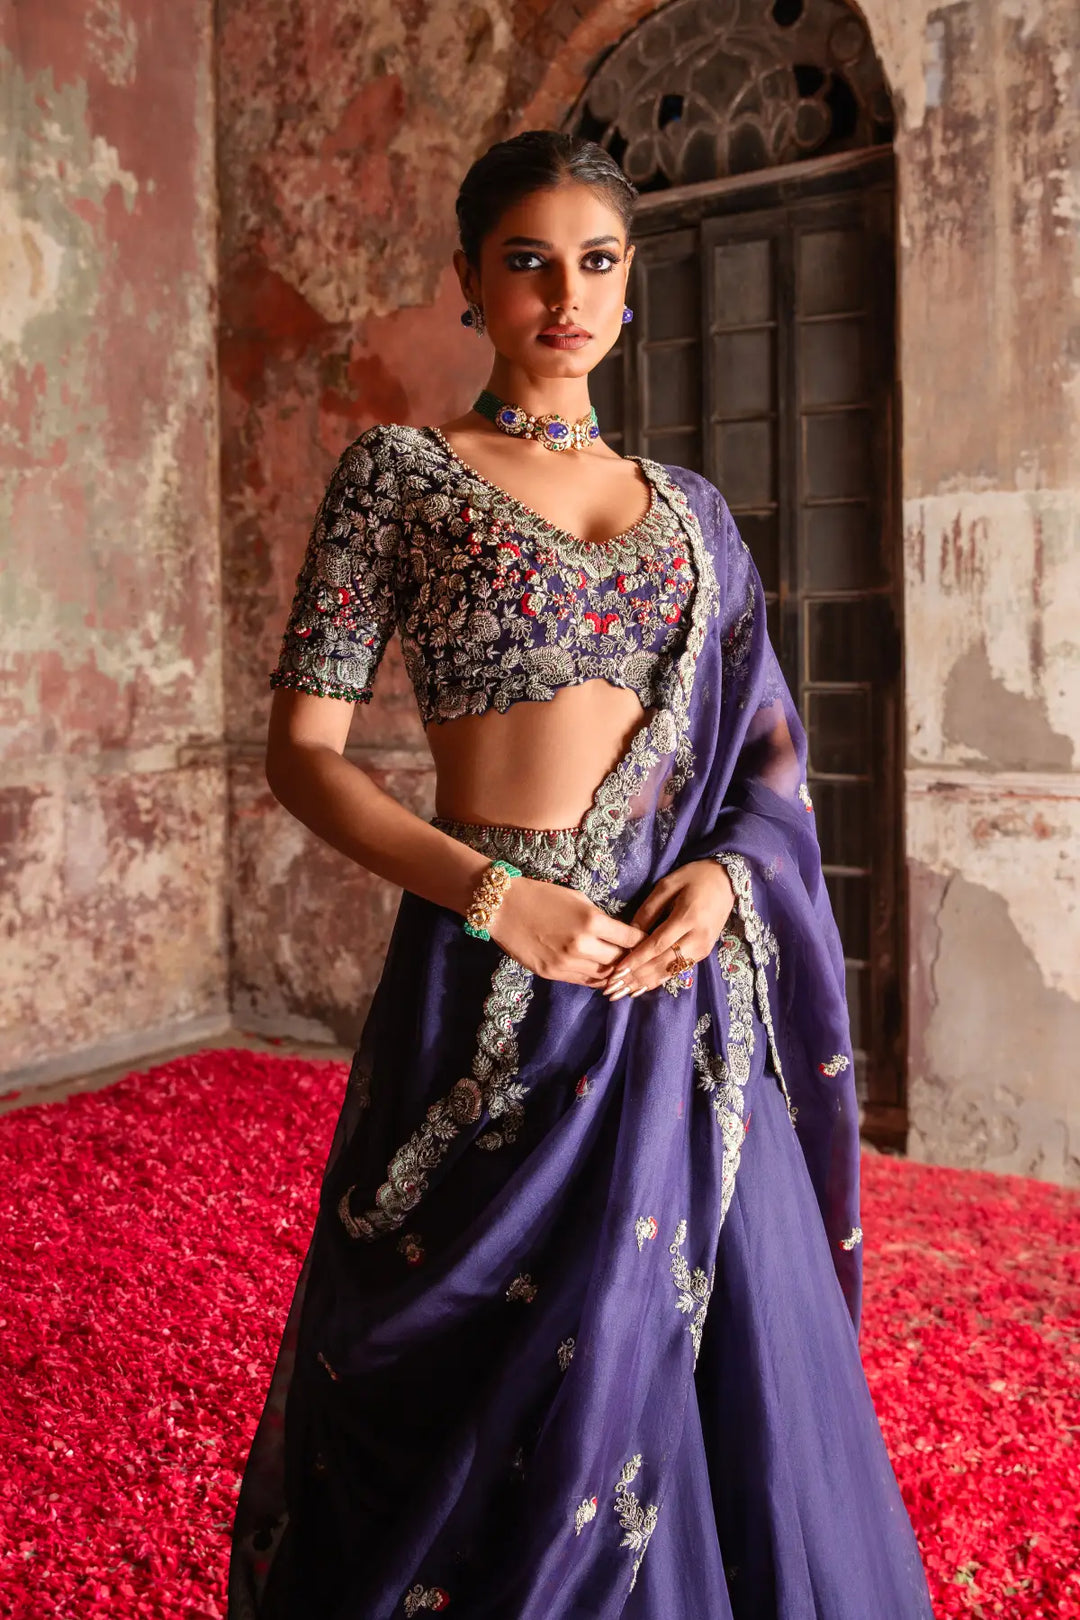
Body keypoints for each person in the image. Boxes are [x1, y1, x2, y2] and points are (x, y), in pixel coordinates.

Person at [227, 130, 934, 1620]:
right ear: (472, 285)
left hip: (671, 1006)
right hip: (489, 984)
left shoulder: (697, 516)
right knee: (457, 1380)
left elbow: (768, 771)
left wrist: (730, 888)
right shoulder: (401, 477)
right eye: (528, 262)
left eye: (597, 260)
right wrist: (499, 898)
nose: (567, 293)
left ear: (631, 281)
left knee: (688, 1376)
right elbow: (304, 755)